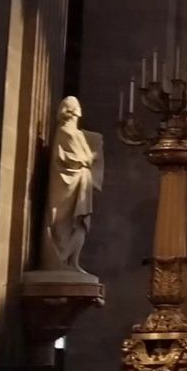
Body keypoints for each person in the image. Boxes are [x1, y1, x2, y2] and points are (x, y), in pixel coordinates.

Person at [40, 97, 104, 273]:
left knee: (81, 223)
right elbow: (76, 158)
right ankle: (60, 261)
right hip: (69, 184)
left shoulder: (77, 134)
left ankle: (72, 262)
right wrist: (92, 156)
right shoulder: (66, 132)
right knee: (65, 223)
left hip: (81, 183)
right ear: (73, 112)